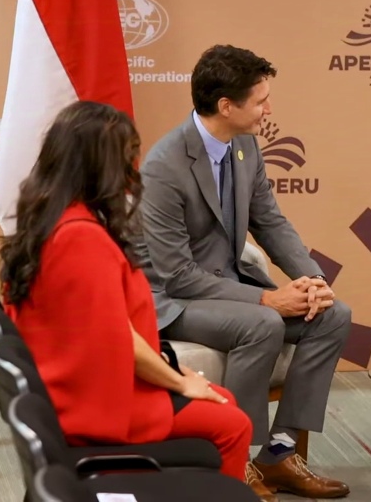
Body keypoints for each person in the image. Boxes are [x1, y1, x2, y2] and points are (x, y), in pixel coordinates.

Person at [135, 44, 350, 501]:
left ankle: (278, 453)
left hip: (225, 285)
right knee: (263, 322)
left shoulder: (245, 146)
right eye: (260, 101)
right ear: (226, 106)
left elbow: (270, 221)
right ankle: (235, 464)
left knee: (333, 315)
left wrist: (313, 282)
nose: (268, 109)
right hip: (173, 301)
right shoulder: (163, 167)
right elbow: (176, 275)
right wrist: (267, 298)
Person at [0, 101, 253, 482]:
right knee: (232, 424)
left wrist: (174, 372)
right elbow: (116, 337)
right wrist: (181, 382)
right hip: (90, 403)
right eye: (127, 158)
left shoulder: (56, 218)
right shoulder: (81, 238)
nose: (134, 170)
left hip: (80, 385)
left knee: (222, 401)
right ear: (101, 166)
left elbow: (113, 327)